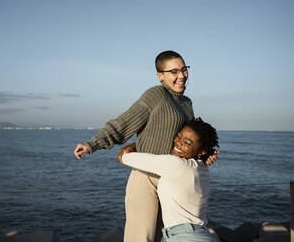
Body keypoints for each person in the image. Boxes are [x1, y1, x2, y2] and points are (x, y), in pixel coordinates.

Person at [74, 51, 218, 242]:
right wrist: (93, 143)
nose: (181, 75)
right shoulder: (155, 95)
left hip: (172, 182)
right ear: (160, 76)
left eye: (184, 69)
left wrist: (204, 155)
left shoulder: (186, 103)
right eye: (174, 71)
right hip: (146, 177)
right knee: (141, 237)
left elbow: (190, 142)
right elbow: (124, 123)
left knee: (162, 237)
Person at [118, 118, 219, 242]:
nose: (178, 143)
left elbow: (124, 157)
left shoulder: (176, 164)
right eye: (178, 136)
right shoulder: (203, 169)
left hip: (184, 237)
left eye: (187, 143)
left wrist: (135, 144)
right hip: (200, 234)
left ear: (201, 151)